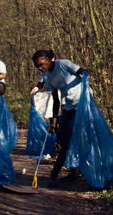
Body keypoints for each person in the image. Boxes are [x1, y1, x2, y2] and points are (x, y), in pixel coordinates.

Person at [31, 49, 88, 187]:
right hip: (68, 106)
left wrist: (86, 86)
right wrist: (54, 122)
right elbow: (56, 100)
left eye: (42, 64)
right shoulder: (48, 77)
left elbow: (84, 72)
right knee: (62, 137)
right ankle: (73, 173)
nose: (40, 68)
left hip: (81, 104)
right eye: (37, 66)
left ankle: (55, 175)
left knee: (69, 141)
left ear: (50, 59)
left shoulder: (63, 64)